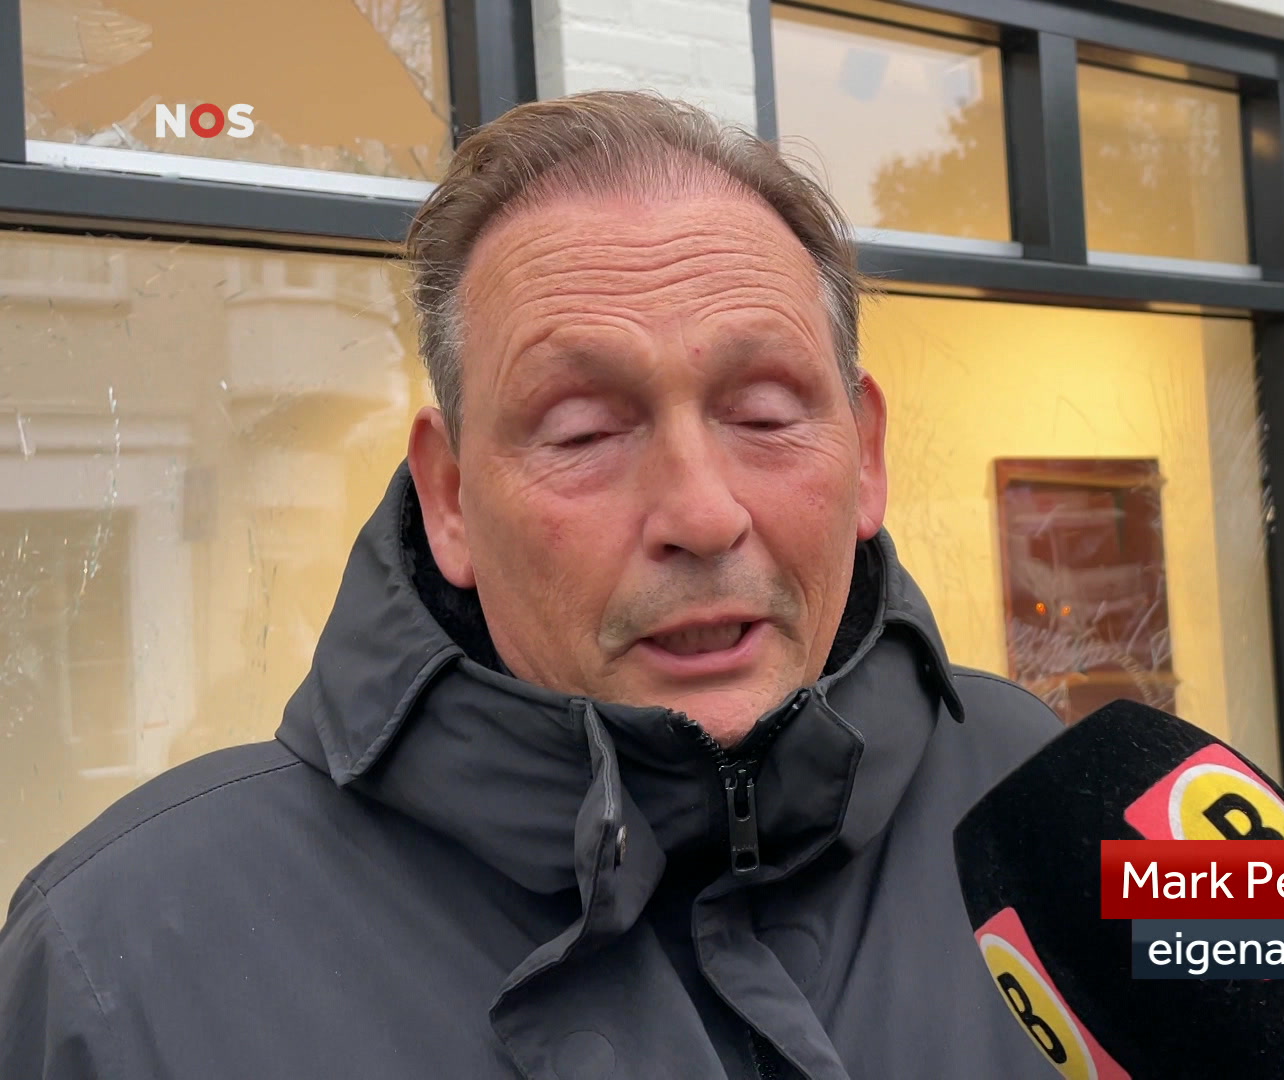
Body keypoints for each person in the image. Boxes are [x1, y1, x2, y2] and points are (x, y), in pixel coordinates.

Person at [0, 91, 1068, 1079]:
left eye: (765, 414)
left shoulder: (1075, 807)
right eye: (586, 431)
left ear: (866, 455)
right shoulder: (115, 973)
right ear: (451, 497)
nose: (703, 515)